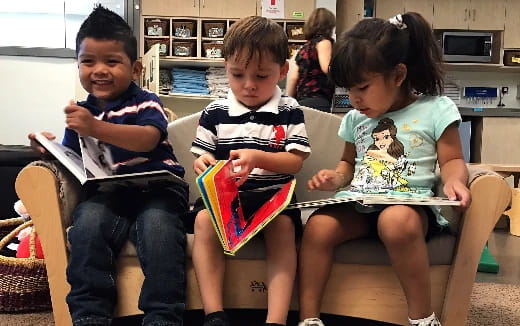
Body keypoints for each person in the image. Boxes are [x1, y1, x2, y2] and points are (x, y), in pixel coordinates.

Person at [297, 12, 472, 326]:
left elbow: (452, 161)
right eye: (348, 91)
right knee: (318, 227)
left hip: (409, 206)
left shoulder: (435, 109)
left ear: (398, 75)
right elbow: (347, 164)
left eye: (362, 87)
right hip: (360, 202)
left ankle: (422, 317)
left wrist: (455, 182)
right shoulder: (355, 119)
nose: (354, 99)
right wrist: (334, 177)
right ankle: (309, 318)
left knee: (395, 222)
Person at [28, 6, 188, 326]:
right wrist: (49, 150)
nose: (99, 70)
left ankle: (163, 316)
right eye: (88, 61)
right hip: (109, 193)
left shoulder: (146, 101)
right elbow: (76, 162)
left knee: (158, 228)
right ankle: (89, 315)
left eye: (112, 61)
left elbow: (147, 139)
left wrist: (96, 128)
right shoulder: (80, 115)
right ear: (78, 66)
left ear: (136, 68)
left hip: (159, 189)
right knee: (87, 223)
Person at [189, 16, 311, 326]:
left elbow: (295, 161)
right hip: (226, 198)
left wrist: (259, 158)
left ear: (283, 71)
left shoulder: (289, 109)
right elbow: (201, 158)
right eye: (237, 74)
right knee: (203, 220)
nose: (248, 85)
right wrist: (202, 164)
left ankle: (276, 319)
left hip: (274, 198)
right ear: (225, 67)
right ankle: (214, 314)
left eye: (261, 75)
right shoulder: (214, 111)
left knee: (283, 231)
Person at [286, 7, 336, 112]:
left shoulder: (303, 49)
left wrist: (288, 104)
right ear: (329, 26)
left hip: (301, 101)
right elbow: (326, 67)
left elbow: (293, 79)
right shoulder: (324, 42)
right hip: (318, 99)